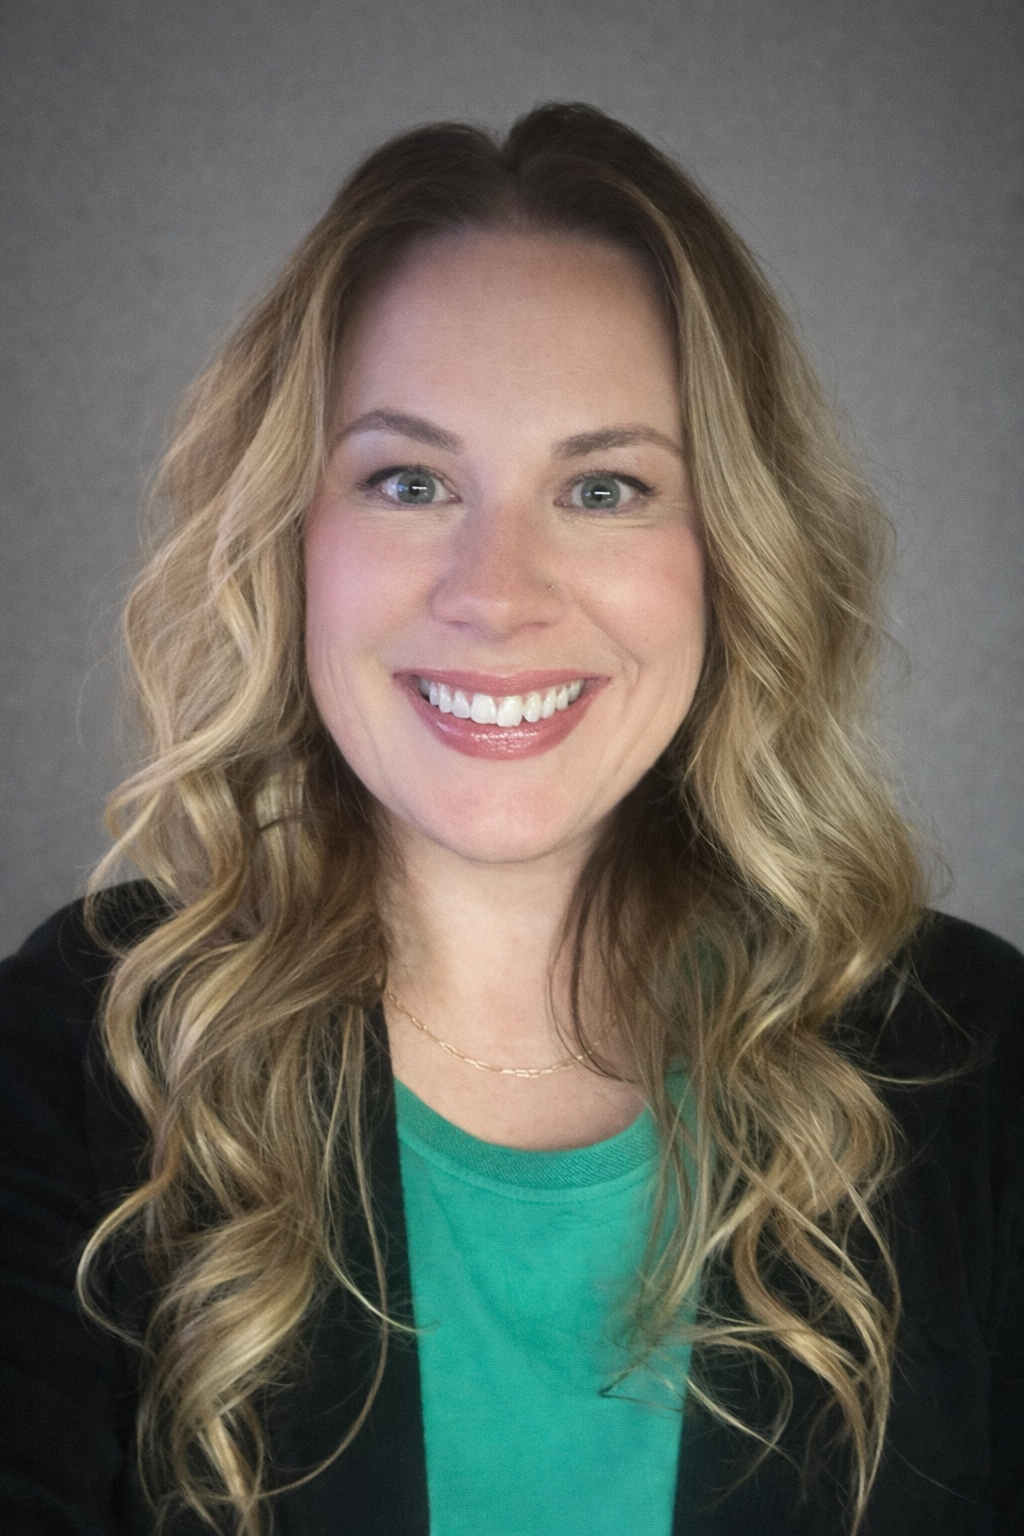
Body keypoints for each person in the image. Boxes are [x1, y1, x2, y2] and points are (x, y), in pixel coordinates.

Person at [0, 103, 1021, 1536]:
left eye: (604, 488)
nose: (497, 590)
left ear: (732, 550)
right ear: (289, 540)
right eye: (409, 481)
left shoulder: (978, 1065)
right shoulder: (78, 1058)